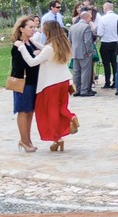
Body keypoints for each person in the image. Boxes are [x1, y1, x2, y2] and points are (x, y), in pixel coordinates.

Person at [15, 21, 77, 152]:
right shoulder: (63, 45)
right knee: (61, 106)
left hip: (50, 83)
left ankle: (56, 137)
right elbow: (46, 49)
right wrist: (35, 45)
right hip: (64, 81)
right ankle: (71, 117)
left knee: (49, 111)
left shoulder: (49, 48)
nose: (39, 31)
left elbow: (32, 62)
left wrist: (21, 47)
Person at [9, 15, 41, 152]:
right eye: (30, 27)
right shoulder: (18, 45)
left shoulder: (32, 42)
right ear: (22, 29)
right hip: (23, 82)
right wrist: (36, 55)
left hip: (34, 81)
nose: (34, 29)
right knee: (23, 111)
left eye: (34, 27)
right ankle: (24, 140)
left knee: (30, 111)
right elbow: (20, 65)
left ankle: (28, 139)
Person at [69, 11, 95, 97]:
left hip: (75, 52)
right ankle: (84, 90)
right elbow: (87, 41)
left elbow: (69, 40)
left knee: (76, 72)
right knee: (85, 72)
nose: (90, 20)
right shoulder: (86, 27)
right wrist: (89, 52)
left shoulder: (72, 27)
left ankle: (75, 90)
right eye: (90, 18)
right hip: (84, 53)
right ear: (86, 17)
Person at [95, 1, 118, 90]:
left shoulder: (103, 19)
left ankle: (107, 82)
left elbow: (100, 33)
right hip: (116, 43)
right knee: (114, 63)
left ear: (105, 8)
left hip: (105, 43)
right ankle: (116, 82)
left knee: (106, 64)